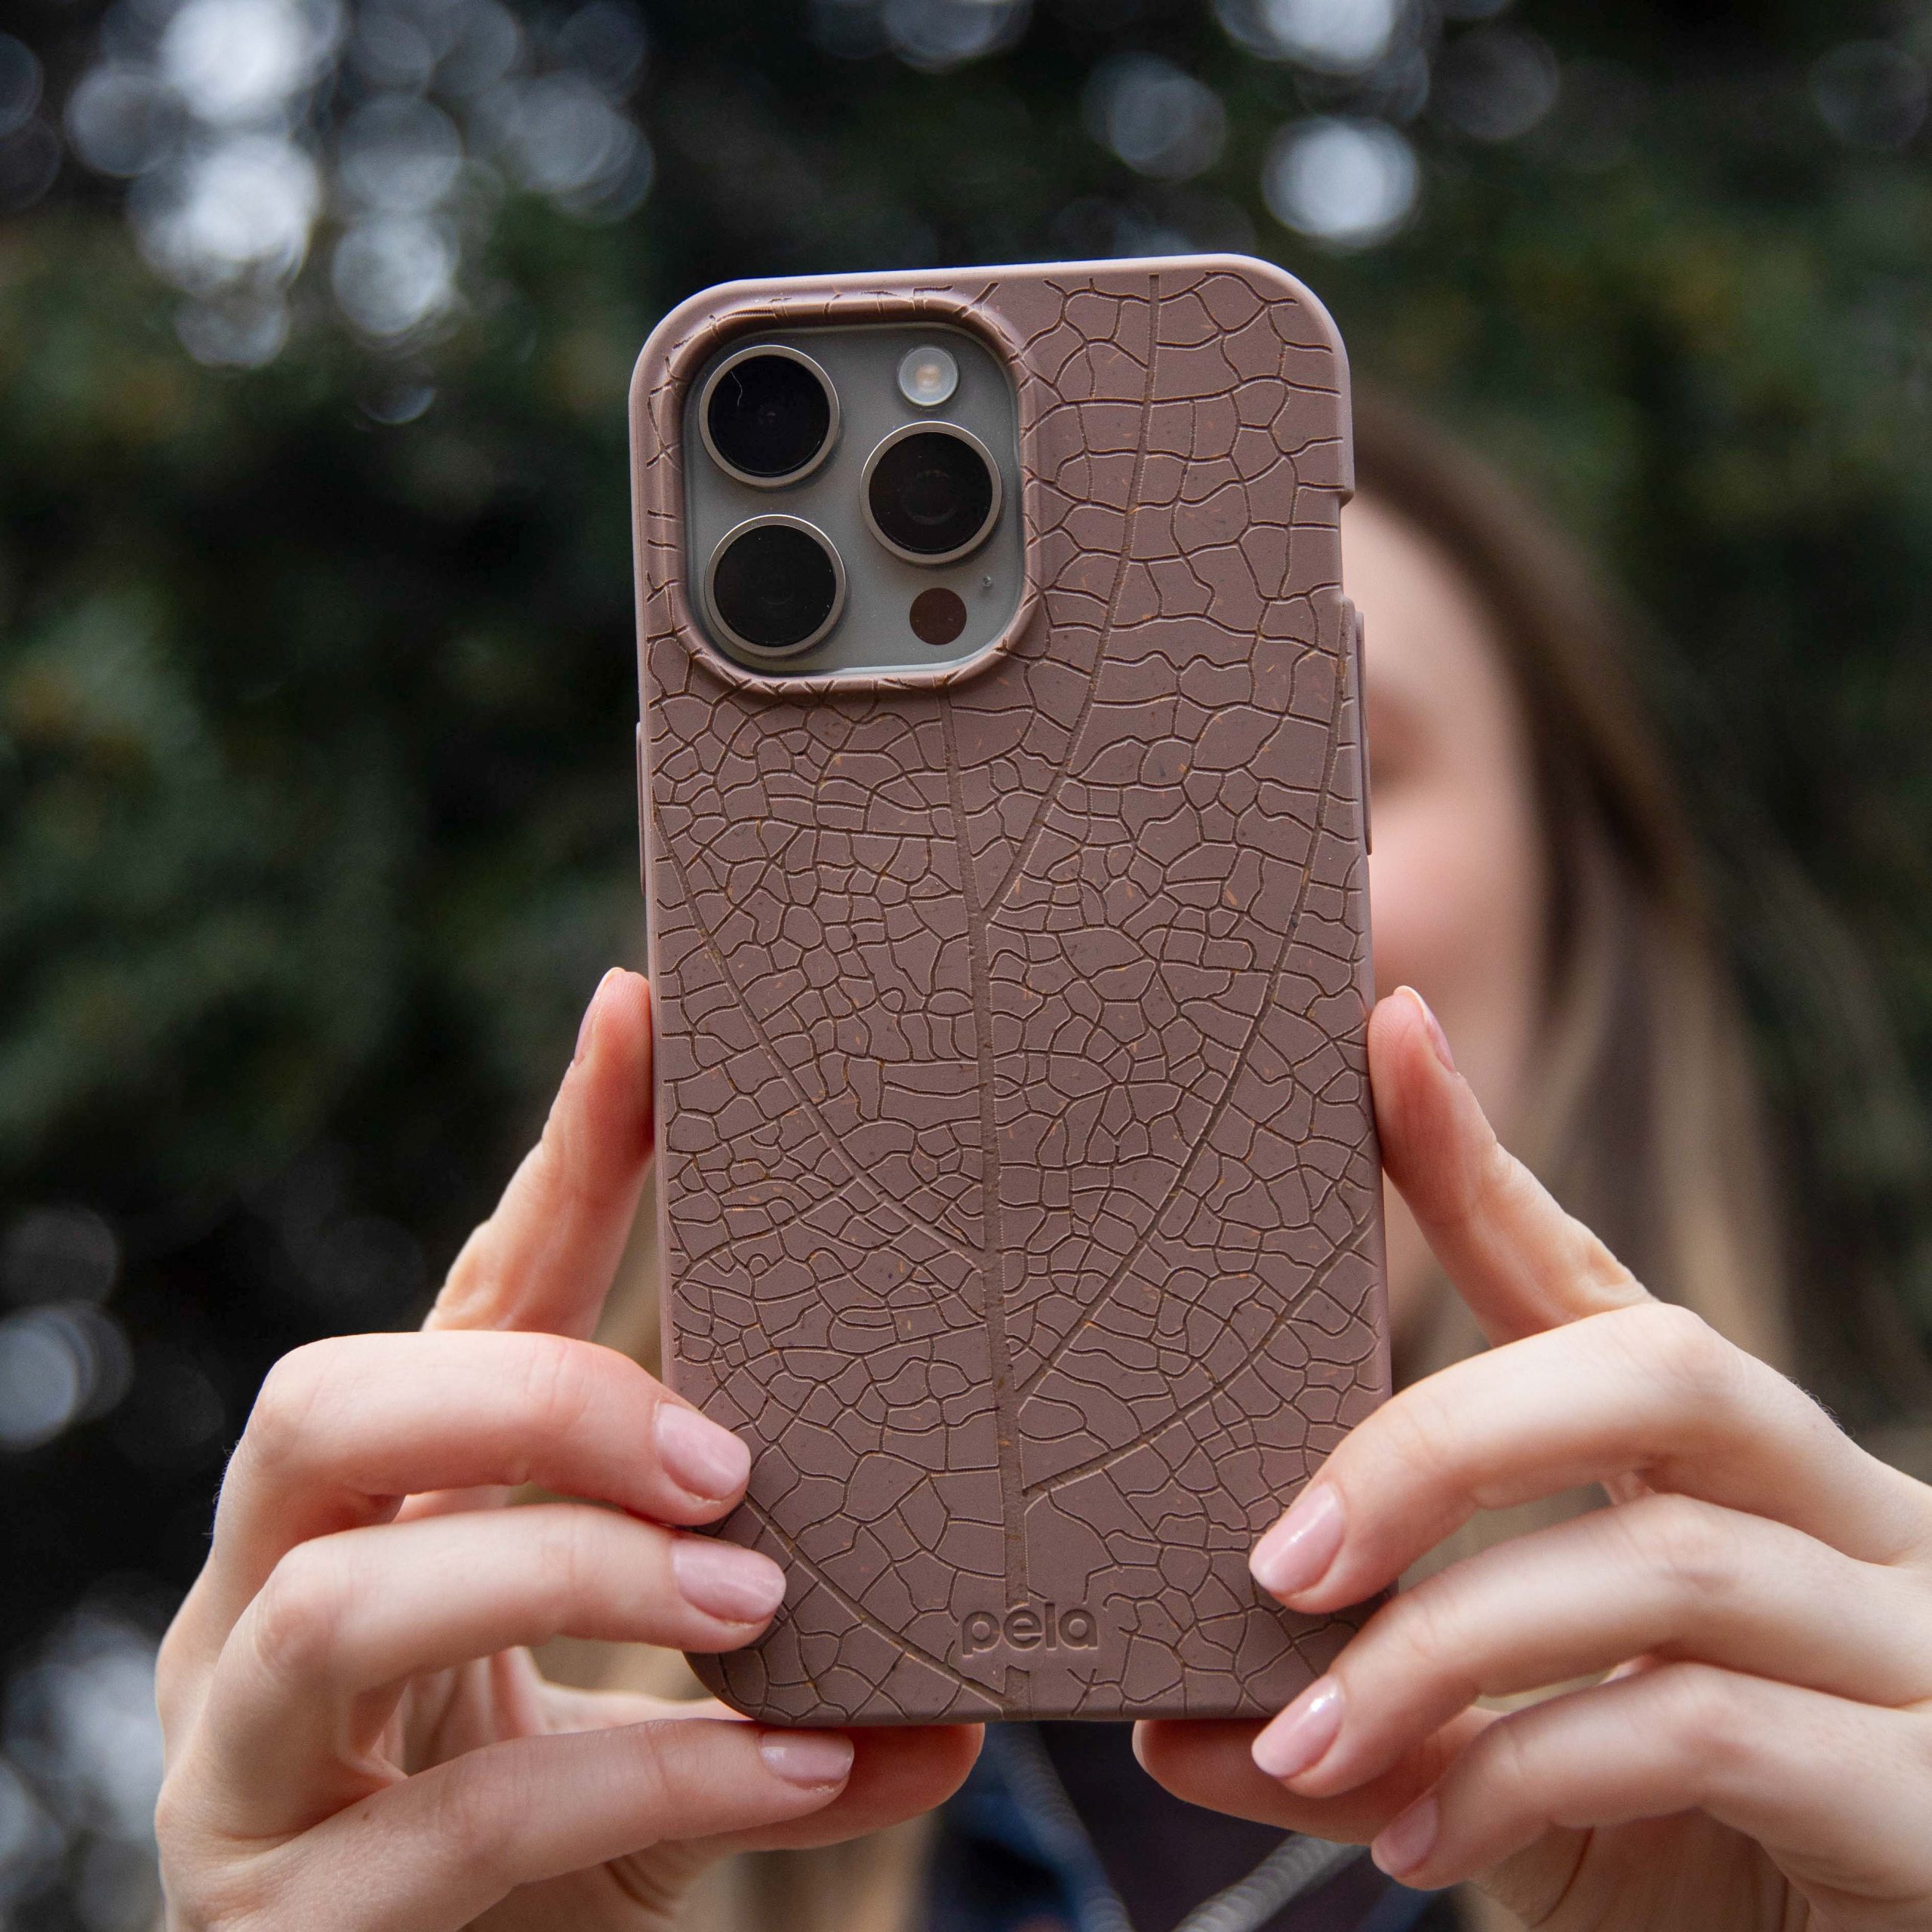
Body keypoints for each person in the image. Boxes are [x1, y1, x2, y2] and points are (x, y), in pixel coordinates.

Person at [150, 398, 1932, 1932]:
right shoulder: (523, 1812)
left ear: (1573, 902)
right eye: (1001, 786)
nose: (1126, 902)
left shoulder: (1882, 1718)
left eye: (1310, 756)